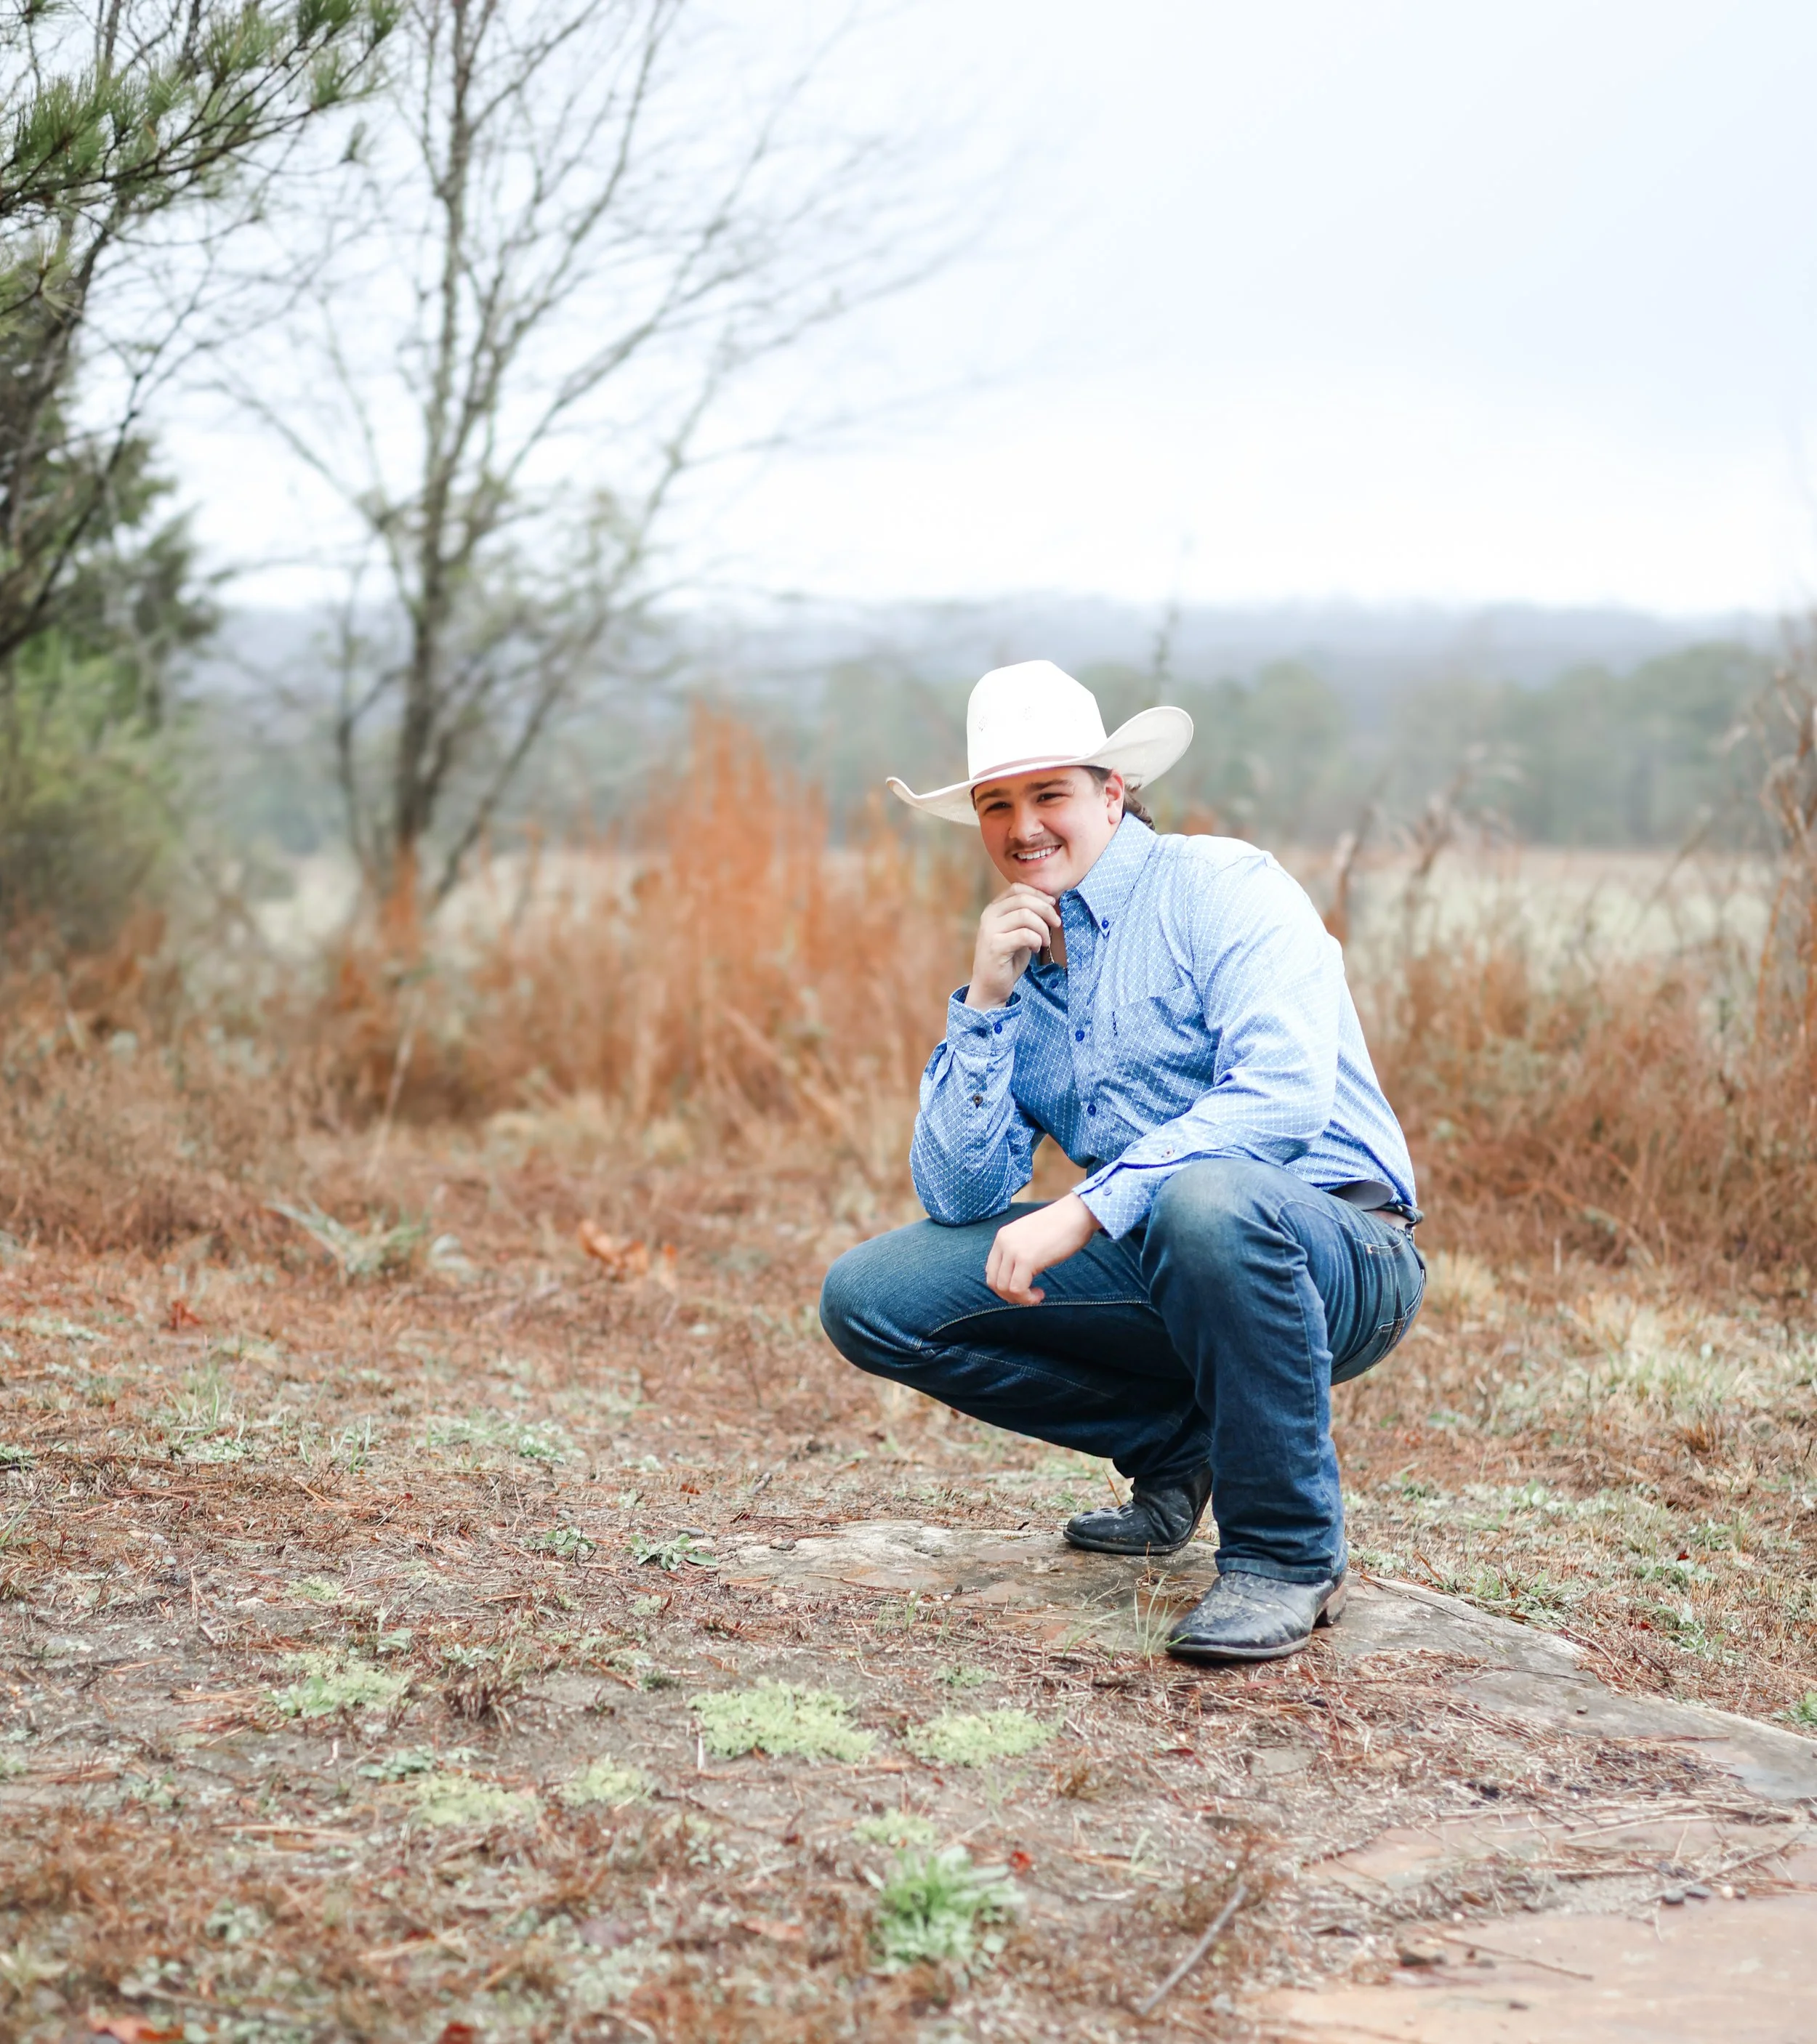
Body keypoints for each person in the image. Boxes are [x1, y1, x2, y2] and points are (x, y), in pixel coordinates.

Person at [818, 660, 1425, 1663]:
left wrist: (1089, 1207)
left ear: (1113, 790)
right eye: (996, 805)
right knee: (869, 1295)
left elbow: (1281, 1094)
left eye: (1049, 794)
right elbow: (961, 1194)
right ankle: (1173, 1448)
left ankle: (1286, 1557)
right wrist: (982, 1006)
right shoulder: (1025, 958)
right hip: (1166, 1260)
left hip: (1339, 1251)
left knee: (1206, 1198)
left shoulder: (1223, 888)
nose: (1023, 829)